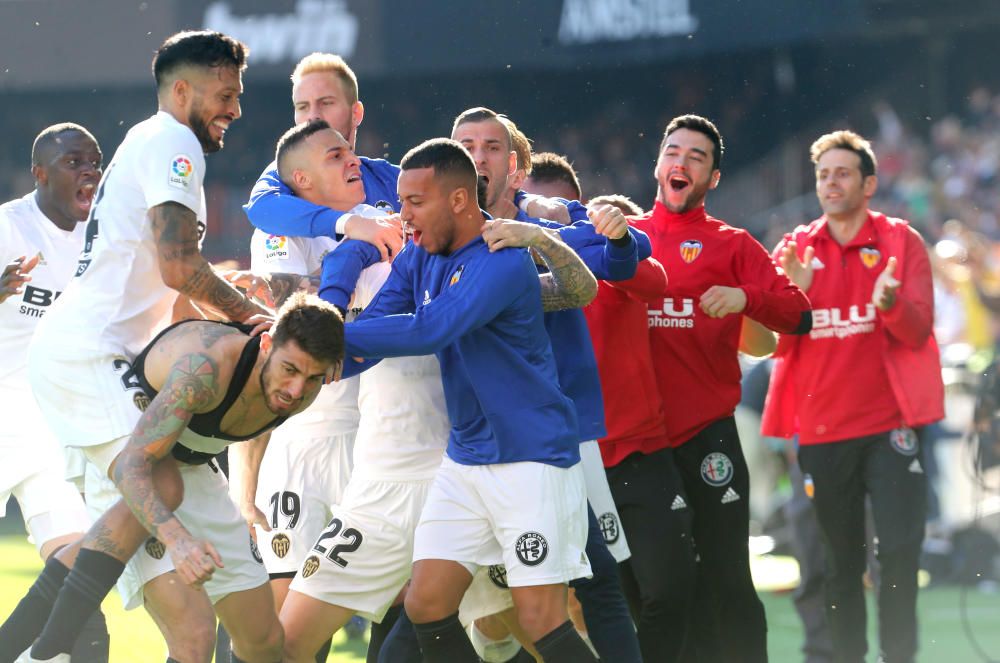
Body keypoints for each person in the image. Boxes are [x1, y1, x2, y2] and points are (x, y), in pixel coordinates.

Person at [1, 30, 276, 663]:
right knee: (158, 486)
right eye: (225, 94)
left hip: (107, 358)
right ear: (183, 90)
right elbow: (180, 266)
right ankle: (39, 653)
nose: (234, 108)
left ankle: (18, 646)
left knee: (193, 615)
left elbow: (170, 288)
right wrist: (256, 320)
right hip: (90, 354)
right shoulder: (174, 142)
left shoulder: (153, 144)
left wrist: (224, 309)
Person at [341, 137, 599, 663]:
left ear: (458, 200)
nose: (403, 216)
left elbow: (429, 329)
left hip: (531, 459)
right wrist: (316, 358)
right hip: (467, 458)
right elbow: (375, 324)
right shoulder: (419, 254)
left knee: (543, 621)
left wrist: (327, 337)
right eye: (400, 202)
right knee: (427, 603)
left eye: (415, 202)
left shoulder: (501, 260)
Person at [451, 110, 642, 663]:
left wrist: (608, 228)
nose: (478, 157)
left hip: (558, 431)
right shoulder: (430, 233)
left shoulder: (550, 230)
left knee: (594, 578)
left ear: (515, 167)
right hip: (469, 438)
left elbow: (624, 257)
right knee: (446, 599)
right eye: (465, 145)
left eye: (491, 147)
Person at [630, 114, 812, 662]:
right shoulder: (625, 239)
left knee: (729, 578)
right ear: (658, 164)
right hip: (637, 444)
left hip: (708, 437)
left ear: (713, 179)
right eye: (673, 152)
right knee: (653, 586)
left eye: (697, 157)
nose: (681, 163)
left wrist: (745, 298)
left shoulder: (731, 246)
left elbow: (799, 315)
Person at [762, 129, 944, 663]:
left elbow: (916, 332)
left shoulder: (900, 242)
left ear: (869, 184)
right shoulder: (795, 248)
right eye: (823, 174)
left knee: (900, 556)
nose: (830, 182)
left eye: (842, 173)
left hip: (893, 428)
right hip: (822, 432)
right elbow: (773, 344)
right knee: (837, 564)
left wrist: (888, 302)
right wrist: (792, 295)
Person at [0, 123, 110, 663]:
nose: (88, 170)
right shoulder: (6, 229)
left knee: (83, 595)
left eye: (94, 161)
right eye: (73, 162)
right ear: (39, 174)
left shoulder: (102, 239)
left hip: (53, 426)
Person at [244, 52, 404, 258]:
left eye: (326, 103)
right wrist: (351, 224)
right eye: (303, 107)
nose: (313, 116)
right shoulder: (289, 175)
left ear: (356, 113)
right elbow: (262, 209)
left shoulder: (391, 179)